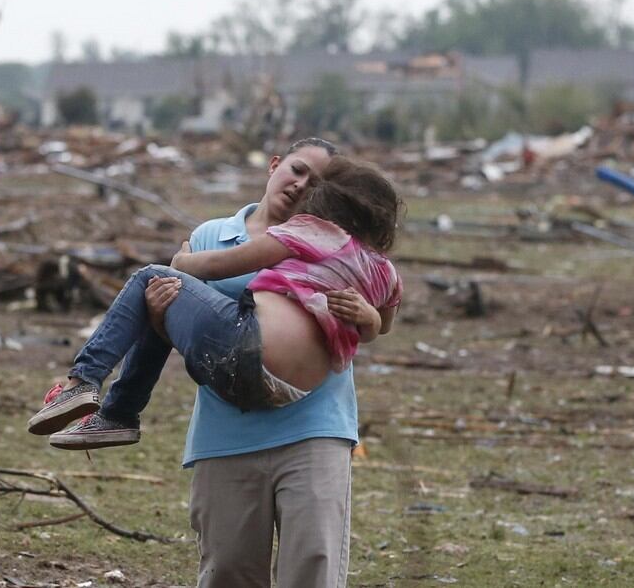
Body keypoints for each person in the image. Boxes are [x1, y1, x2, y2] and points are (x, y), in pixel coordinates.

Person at [31, 138, 393, 587]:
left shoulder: (338, 244)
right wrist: (162, 319)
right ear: (274, 164)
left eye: (316, 183)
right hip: (227, 432)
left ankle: (98, 397)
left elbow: (378, 319)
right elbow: (191, 332)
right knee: (228, 572)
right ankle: (110, 410)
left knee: (312, 568)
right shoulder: (212, 236)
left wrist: (372, 318)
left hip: (313, 428)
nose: (302, 186)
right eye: (297, 170)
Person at [26, 155, 402, 450]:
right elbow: (383, 326)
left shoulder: (313, 230)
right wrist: (368, 317)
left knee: (152, 280)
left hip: (246, 350)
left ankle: (86, 385)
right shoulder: (385, 271)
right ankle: (117, 414)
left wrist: (182, 262)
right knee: (165, 298)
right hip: (285, 393)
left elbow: (221, 265)